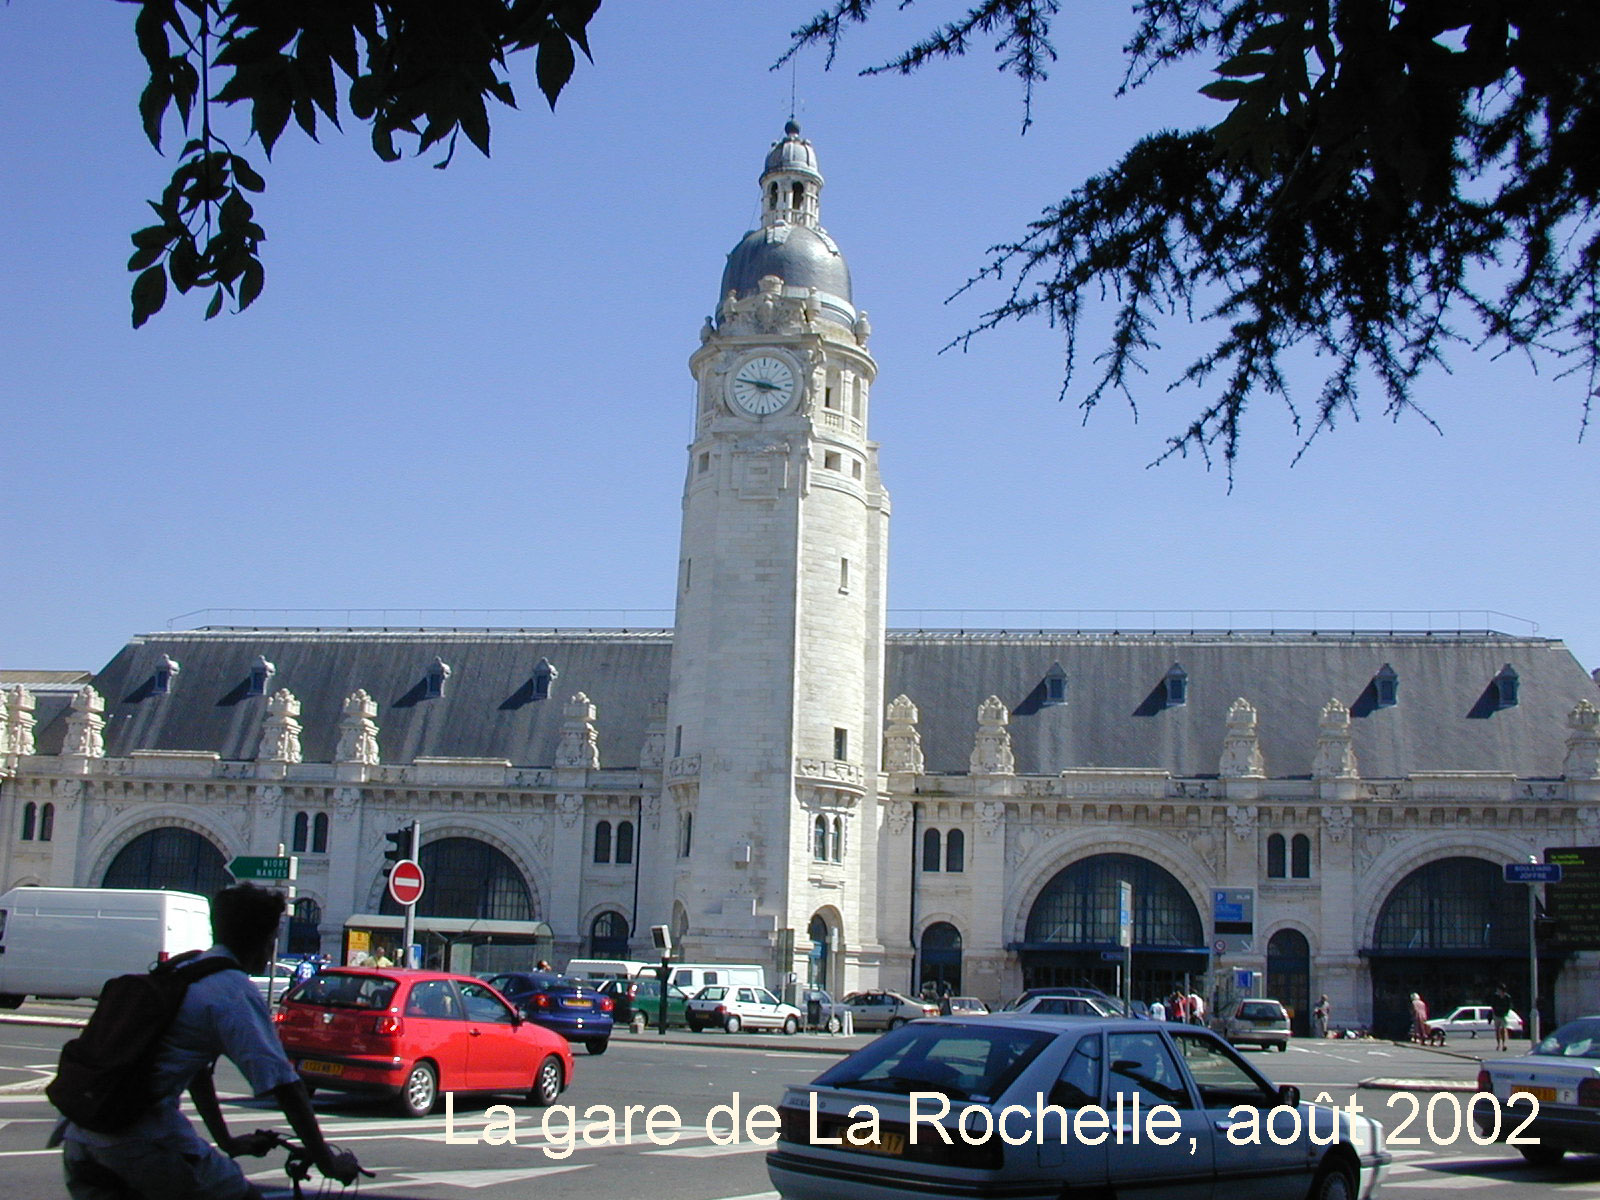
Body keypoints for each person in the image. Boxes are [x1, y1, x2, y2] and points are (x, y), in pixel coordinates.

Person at [54, 883, 361, 1199]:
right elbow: (287, 1087)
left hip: (80, 1135)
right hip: (137, 1141)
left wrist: (227, 1142)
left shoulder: (183, 968)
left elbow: (198, 1073)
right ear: (266, 941)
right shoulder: (232, 990)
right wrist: (328, 1163)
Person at [1490, 983, 1514, 1051]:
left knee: (1503, 1029)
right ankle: (1498, 1044)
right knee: (1497, 1030)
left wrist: (1505, 1012)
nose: (1497, 991)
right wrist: (1495, 1012)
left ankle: (1504, 1044)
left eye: (1498, 989)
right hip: (1496, 1015)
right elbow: (1493, 1005)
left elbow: (1509, 1006)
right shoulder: (1495, 996)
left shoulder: (1507, 997)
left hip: (1503, 1015)